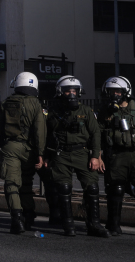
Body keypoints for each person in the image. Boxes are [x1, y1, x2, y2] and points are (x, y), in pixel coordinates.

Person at [44, 76, 107, 238]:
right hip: (61, 154)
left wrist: (95, 156)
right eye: (67, 91)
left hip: (82, 153)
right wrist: (46, 156)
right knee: (64, 188)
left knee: (92, 188)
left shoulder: (86, 111)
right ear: (60, 92)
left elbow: (95, 134)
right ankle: (68, 224)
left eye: (74, 91)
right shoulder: (53, 112)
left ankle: (94, 224)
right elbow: (46, 136)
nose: (71, 94)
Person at [97, 76, 135, 237]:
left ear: (126, 92)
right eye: (111, 91)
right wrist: (98, 156)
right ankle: (113, 225)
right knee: (115, 190)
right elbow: (97, 135)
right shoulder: (105, 111)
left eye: (118, 91)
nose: (114, 94)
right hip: (117, 155)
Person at [0, 72, 46, 235]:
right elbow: (40, 130)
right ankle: (29, 217)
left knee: (12, 184)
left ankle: (16, 219)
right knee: (26, 184)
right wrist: (40, 153)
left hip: (10, 147)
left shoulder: (7, 102)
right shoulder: (36, 103)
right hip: (29, 150)